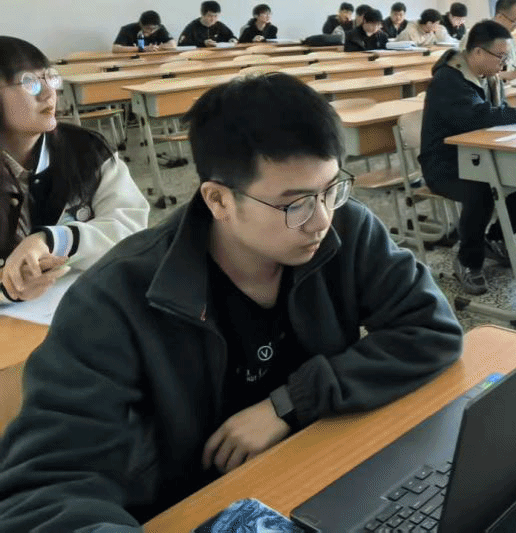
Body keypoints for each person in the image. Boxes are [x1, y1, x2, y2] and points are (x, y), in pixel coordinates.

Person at [0, 73, 462, 531]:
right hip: (190, 507)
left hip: (315, 467)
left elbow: (431, 329)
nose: (320, 220)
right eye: (295, 204)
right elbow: (43, 492)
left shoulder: (346, 229)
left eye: (330, 189)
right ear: (218, 200)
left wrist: (290, 404)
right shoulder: (113, 301)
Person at [0, 36, 149, 305]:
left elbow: (132, 227)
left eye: (50, 78)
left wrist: (53, 240)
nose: (49, 94)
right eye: (29, 83)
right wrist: (8, 288)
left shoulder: (87, 149)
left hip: (89, 303)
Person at [419, 20, 516, 295]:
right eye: (500, 56)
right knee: (481, 188)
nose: (504, 64)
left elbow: (497, 113)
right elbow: (478, 118)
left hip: (480, 155)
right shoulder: (449, 80)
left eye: (506, 57)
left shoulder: (487, 78)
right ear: (477, 52)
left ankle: (496, 239)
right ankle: (468, 260)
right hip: (444, 164)